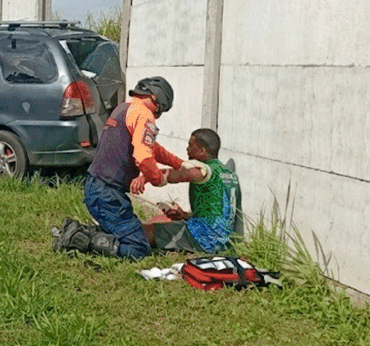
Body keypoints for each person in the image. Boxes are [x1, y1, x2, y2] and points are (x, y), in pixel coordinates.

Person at [53, 76, 202, 258]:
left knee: (126, 231)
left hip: (98, 187)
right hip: (107, 193)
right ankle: (76, 238)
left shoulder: (124, 109)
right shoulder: (144, 115)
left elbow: (153, 148)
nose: (158, 115)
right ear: (156, 99)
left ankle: (77, 231)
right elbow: (144, 157)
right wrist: (158, 179)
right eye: (161, 110)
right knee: (138, 248)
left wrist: (180, 163)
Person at [141, 128, 241, 253]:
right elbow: (216, 214)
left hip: (203, 239)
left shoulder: (206, 170)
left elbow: (177, 175)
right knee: (159, 218)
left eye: (190, 145)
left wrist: (147, 177)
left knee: (143, 231)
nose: (187, 149)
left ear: (202, 151)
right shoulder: (229, 174)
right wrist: (184, 215)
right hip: (222, 242)